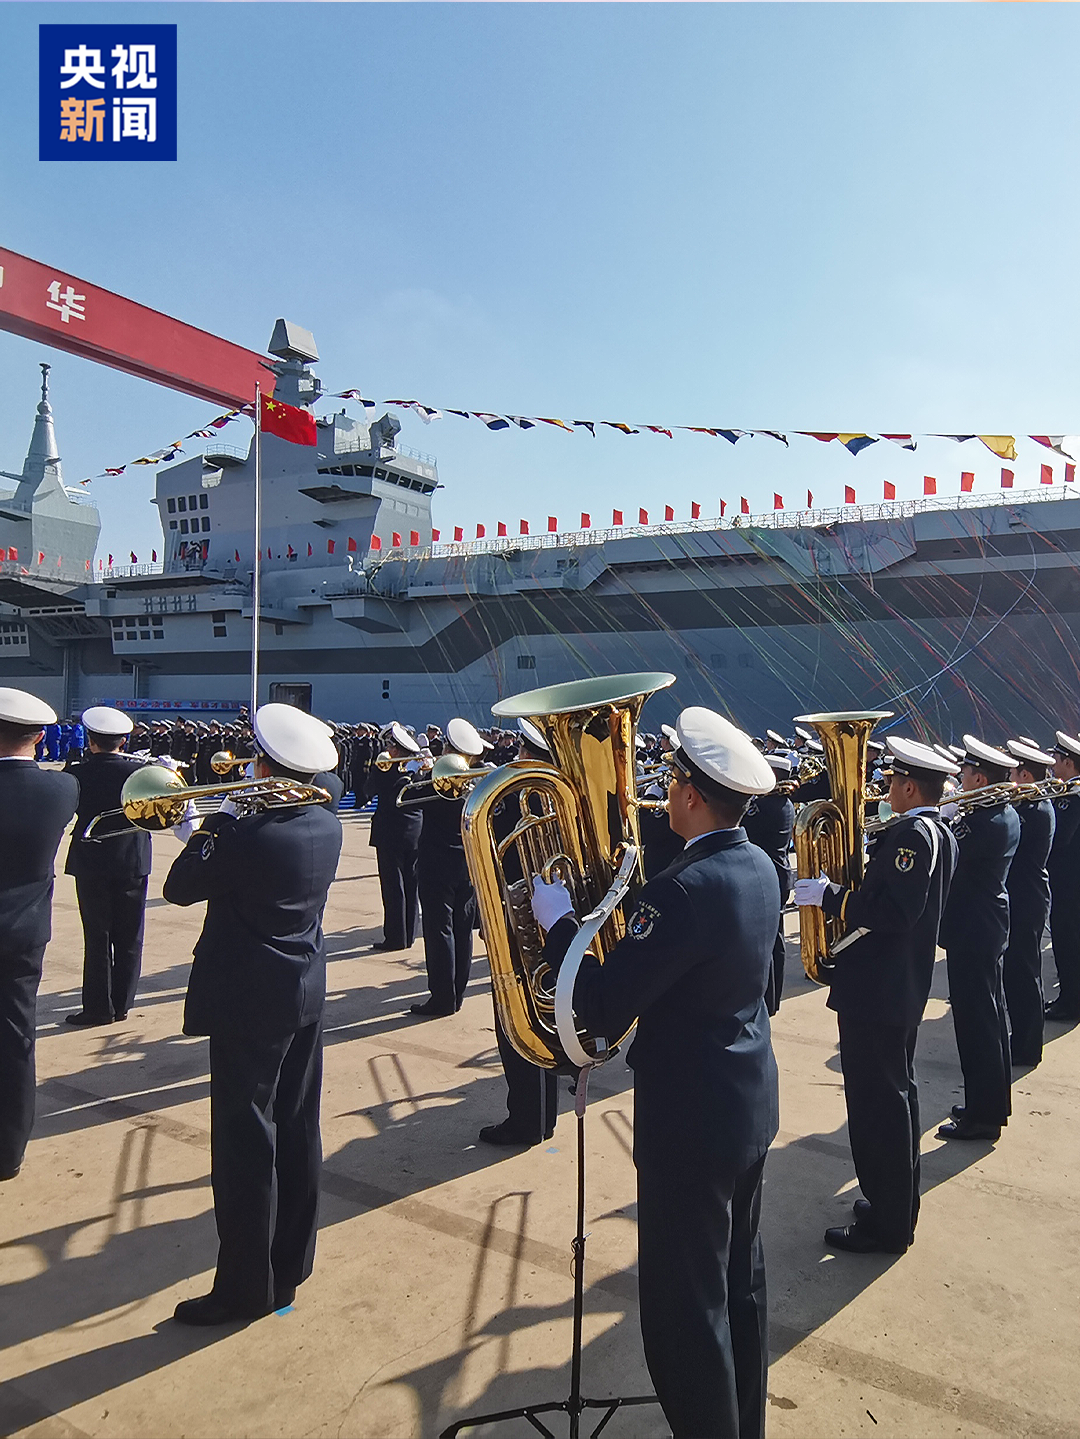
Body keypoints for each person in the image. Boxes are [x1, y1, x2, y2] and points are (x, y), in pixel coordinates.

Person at [531, 707, 779, 1439]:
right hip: (746, 1102)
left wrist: (557, 923)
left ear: (693, 794)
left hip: (690, 1119)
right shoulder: (759, 865)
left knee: (685, 1309)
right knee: (739, 1285)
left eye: (671, 783)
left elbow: (605, 1003)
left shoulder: (683, 890)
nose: (663, 793)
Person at [164, 702, 342, 1325]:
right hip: (303, 989)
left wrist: (214, 822)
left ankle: (243, 1288)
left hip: (248, 1000)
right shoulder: (327, 820)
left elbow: (179, 887)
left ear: (265, 767)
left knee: (243, 1145)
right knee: (297, 1128)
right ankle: (289, 1267)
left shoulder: (246, 834)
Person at [794, 737, 958, 1253]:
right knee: (896, 1099)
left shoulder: (912, 836)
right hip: (894, 987)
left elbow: (894, 913)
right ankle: (895, 1205)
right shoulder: (937, 830)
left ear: (909, 787)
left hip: (879, 990)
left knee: (877, 1108)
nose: (885, 789)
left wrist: (832, 895)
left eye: (892, 782)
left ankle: (887, 1226)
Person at [0, 689, 79, 1181]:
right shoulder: (63, 788)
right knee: (16, 1039)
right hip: (25, 932)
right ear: (40, 736)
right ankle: (8, 1151)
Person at [481, 716, 560, 1147]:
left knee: (516, 1020)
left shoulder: (511, 798)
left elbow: (489, 855)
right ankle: (543, 1116)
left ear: (527, 754)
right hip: (554, 915)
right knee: (546, 1015)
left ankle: (526, 1120)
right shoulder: (560, 796)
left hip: (517, 920)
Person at [936, 736, 1019, 1143]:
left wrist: (944, 820)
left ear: (981, 778)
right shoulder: (1002, 812)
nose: (961, 779)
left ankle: (983, 1118)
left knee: (976, 1026)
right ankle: (991, 1104)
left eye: (966, 773)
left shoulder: (984, 821)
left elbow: (946, 855)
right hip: (985, 925)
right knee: (989, 1017)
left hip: (973, 929)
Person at [64, 706, 152, 1027]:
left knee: (97, 936)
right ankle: (123, 1003)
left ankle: (98, 1007)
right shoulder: (140, 772)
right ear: (124, 741)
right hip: (133, 859)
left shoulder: (77, 773)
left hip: (92, 859)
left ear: (90, 740)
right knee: (130, 934)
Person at [402, 717, 489, 1017]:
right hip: (467, 865)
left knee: (439, 930)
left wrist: (420, 772)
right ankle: (457, 994)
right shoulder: (476, 783)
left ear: (449, 749)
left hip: (436, 865)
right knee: (463, 931)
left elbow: (406, 799)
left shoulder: (437, 781)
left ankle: (442, 998)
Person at [1001, 740, 1056, 1066]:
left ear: (1024, 775)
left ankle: (1026, 1046)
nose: (1008, 779)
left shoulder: (1032, 809)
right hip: (1026, 896)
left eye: (1012, 773)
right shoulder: (1033, 804)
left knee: (1023, 975)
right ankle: (1023, 1039)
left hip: (1026, 898)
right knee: (1020, 973)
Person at [743, 752, 796, 1014]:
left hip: (769, 875)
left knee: (770, 942)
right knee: (775, 939)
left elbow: (742, 824)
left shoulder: (768, 806)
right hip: (778, 874)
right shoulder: (782, 803)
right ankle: (772, 998)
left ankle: (769, 999)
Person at [369, 722, 423, 952]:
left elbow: (369, 788)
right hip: (414, 834)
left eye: (391, 746)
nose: (387, 750)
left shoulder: (386, 773)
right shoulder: (418, 773)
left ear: (396, 750)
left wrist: (379, 767)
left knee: (393, 887)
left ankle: (395, 937)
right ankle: (409, 934)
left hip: (390, 835)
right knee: (411, 885)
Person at [1045, 731, 1080, 1021]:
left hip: (1069, 883)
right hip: (1069, 881)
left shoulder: (1072, 796)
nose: (1053, 765)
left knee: (1067, 942)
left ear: (1068, 762)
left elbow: (1059, 839)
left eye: (1057, 760)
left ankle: (1070, 1003)